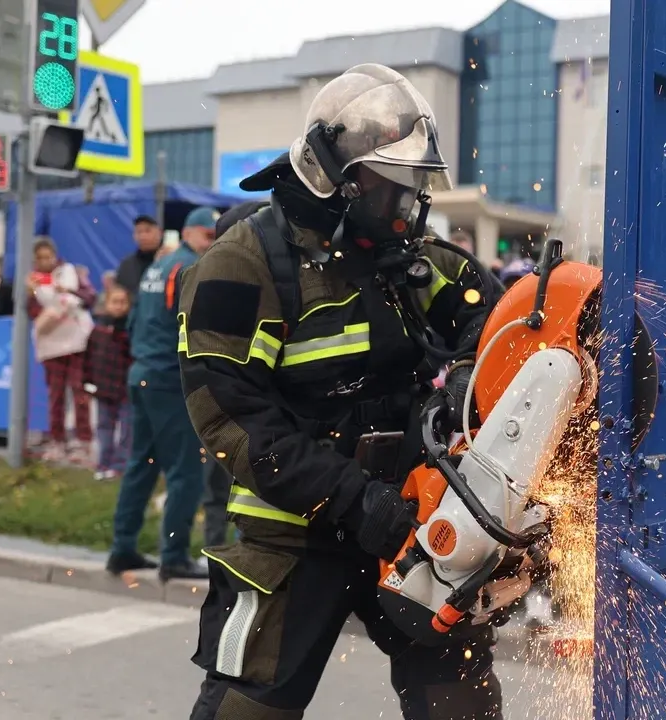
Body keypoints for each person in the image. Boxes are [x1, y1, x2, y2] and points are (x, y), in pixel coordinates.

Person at [175, 64, 501, 720]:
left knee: (460, 700)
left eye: (415, 186)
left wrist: (473, 366)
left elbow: (498, 315)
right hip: (294, 535)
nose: (410, 204)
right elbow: (233, 419)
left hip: (411, 520)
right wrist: (353, 499)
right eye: (392, 187)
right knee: (248, 708)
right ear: (340, 179)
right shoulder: (242, 265)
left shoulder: (408, 255)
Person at [106, 207, 219, 581]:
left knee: (141, 465)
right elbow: (195, 330)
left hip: (142, 373)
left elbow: (136, 321)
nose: (212, 243)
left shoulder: (159, 266)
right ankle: (174, 555)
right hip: (168, 379)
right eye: (208, 236)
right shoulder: (189, 268)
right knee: (185, 471)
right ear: (190, 233)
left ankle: (122, 549)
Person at [27, 238, 95, 464]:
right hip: (51, 345)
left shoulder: (71, 273)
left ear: (56, 256)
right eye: (40, 258)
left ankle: (83, 442)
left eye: (49, 256)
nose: (46, 261)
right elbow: (31, 310)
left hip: (76, 342)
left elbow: (89, 298)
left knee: (79, 391)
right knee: (55, 395)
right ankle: (57, 440)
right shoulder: (30, 282)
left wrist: (67, 294)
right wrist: (40, 301)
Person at [83, 285, 134, 480]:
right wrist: (87, 381)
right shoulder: (98, 330)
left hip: (126, 389)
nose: (119, 306)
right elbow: (88, 358)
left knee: (127, 429)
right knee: (104, 427)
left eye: (123, 302)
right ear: (107, 304)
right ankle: (103, 463)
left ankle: (120, 464)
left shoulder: (131, 330)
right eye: (115, 302)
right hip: (103, 389)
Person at [115, 215, 163, 295]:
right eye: (139, 232)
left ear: (160, 233)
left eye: (148, 231)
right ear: (134, 236)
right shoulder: (127, 265)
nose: (143, 236)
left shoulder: (169, 261)